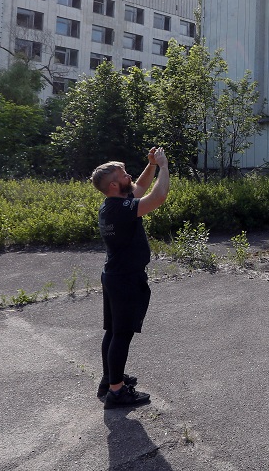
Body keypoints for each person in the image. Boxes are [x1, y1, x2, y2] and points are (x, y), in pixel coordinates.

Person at [90, 146, 169, 409]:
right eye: (124, 174)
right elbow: (158, 196)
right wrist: (164, 166)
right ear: (114, 184)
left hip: (114, 275)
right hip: (125, 279)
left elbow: (138, 188)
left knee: (113, 332)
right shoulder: (121, 209)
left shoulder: (112, 205)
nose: (129, 175)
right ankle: (116, 392)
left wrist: (151, 165)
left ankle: (109, 380)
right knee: (121, 334)